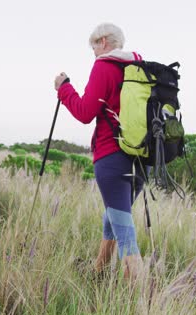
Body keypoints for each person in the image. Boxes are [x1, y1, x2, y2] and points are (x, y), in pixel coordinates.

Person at [54, 23, 145, 281]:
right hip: (143, 160)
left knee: (125, 233)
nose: (93, 52)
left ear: (103, 41)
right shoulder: (140, 68)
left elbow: (85, 112)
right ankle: (99, 273)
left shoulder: (104, 66)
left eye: (93, 46)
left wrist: (64, 89)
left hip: (112, 159)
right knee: (114, 216)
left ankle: (142, 304)